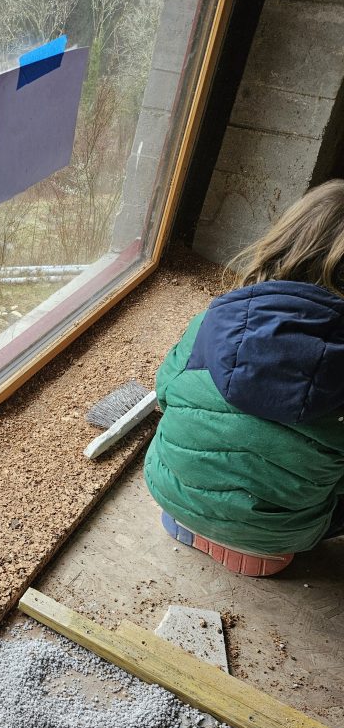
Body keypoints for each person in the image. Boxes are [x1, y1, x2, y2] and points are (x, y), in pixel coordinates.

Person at [145, 180, 344, 577]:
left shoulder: (213, 321)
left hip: (171, 495)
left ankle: (199, 523)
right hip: (283, 536)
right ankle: (258, 544)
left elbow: (163, 393)